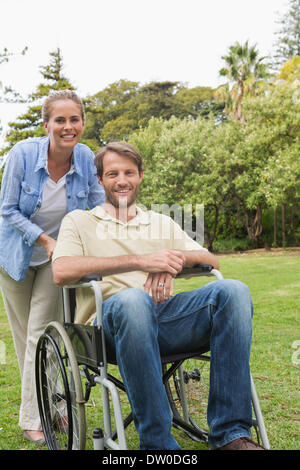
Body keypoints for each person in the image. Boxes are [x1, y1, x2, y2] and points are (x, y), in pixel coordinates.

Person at [52, 141, 264, 450]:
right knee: (134, 300)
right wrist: (140, 262)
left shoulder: (161, 221)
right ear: (99, 180)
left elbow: (210, 260)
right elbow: (61, 271)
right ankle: (157, 445)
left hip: (164, 318)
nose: (121, 180)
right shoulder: (79, 221)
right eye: (112, 174)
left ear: (140, 176)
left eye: (129, 172)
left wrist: (170, 259)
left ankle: (231, 435)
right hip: (107, 328)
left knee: (233, 290)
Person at [0, 90, 105, 445]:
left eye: (74, 119)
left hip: (54, 258)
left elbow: (98, 206)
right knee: (24, 337)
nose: (68, 126)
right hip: (14, 254)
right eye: (59, 120)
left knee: (41, 332)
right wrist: (44, 239)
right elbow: (8, 210)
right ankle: (50, 406)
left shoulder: (87, 158)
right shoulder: (22, 155)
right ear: (46, 124)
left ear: (83, 123)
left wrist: (122, 228)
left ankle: (36, 415)